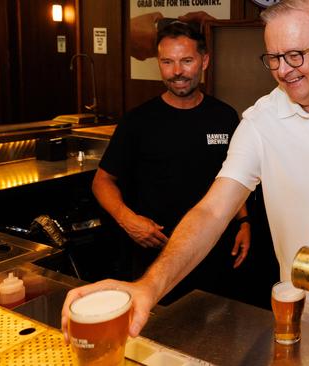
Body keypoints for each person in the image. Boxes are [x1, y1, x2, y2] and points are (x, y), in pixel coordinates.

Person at [62, 0, 309, 341]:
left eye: (295, 56)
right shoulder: (260, 122)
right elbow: (212, 209)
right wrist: (149, 285)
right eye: (273, 58)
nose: (283, 70)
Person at [92, 20, 250, 304]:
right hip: (156, 255)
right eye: (168, 62)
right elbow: (102, 181)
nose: (177, 72)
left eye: (186, 61)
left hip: (214, 250)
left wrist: (245, 222)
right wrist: (127, 219)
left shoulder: (224, 116)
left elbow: (233, 177)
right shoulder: (138, 121)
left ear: (204, 61)